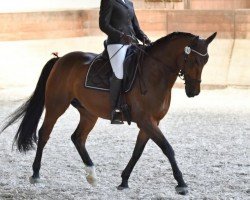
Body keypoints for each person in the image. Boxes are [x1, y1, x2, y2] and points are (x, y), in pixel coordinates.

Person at [99, 0, 151, 124]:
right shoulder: (108, 1)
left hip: (132, 43)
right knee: (119, 73)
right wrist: (121, 35)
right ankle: (115, 109)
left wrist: (146, 39)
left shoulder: (129, 3)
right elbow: (103, 24)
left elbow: (136, 28)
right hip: (116, 43)